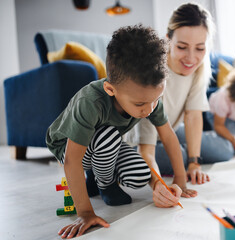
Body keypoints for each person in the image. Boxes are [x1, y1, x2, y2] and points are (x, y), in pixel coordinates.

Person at [46, 25, 196, 239]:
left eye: (156, 99)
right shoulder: (91, 102)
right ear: (110, 89)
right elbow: (72, 159)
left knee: (142, 174)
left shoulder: (150, 100)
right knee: (107, 135)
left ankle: (95, 178)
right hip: (67, 147)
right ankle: (105, 185)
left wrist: (179, 181)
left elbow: (169, 136)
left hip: (106, 146)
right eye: (140, 104)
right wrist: (86, 213)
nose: (149, 109)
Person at [137, 3, 213, 185]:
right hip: (139, 144)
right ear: (168, 40)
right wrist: (158, 185)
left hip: (169, 135)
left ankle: (186, 153)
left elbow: (193, 116)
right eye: (182, 47)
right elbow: (145, 144)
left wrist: (195, 163)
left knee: (219, 151)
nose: (191, 58)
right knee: (182, 155)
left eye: (200, 48)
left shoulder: (199, 70)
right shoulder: (151, 72)